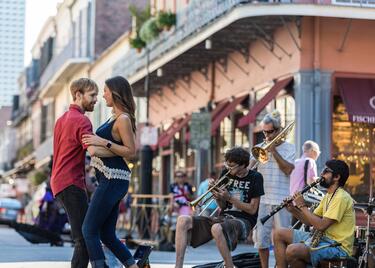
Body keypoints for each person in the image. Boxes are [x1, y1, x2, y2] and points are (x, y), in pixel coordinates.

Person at [51, 78, 112, 268]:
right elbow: (93, 151)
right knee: (84, 238)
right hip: (71, 183)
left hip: (60, 181)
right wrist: (120, 149)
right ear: (78, 95)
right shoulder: (82, 120)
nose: (96, 99)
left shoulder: (61, 119)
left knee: (85, 235)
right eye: (92, 95)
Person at [175, 147, 264, 268]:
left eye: (232, 166)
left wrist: (229, 198)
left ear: (243, 165)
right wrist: (216, 195)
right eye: (227, 165)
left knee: (217, 228)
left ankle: (229, 266)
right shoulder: (225, 174)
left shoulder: (256, 177)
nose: (228, 168)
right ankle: (178, 266)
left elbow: (253, 209)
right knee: (182, 220)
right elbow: (222, 206)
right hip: (223, 217)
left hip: (244, 221)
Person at [81, 76, 138, 268]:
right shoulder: (113, 117)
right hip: (110, 179)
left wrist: (102, 142)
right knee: (107, 234)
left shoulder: (123, 119)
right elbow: (108, 150)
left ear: (115, 92)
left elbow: (130, 151)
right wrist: (99, 148)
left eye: (105, 91)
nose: (102, 95)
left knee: (88, 229)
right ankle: (133, 265)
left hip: (114, 179)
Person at [273, 159, 355, 268]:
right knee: (279, 233)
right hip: (323, 240)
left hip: (337, 247)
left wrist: (302, 206)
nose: (321, 174)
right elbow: (309, 221)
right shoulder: (329, 195)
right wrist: (293, 209)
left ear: (337, 177)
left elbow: (321, 226)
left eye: (326, 171)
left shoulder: (341, 197)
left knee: (292, 250)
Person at [250, 110, 295, 268]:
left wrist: (274, 151)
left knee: (281, 238)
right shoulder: (258, 148)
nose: (267, 136)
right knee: (261, 239)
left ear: (278, 130)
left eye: (270, 132)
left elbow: (288, 170)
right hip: (263, 199)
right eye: (264, 131)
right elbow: (249, 171)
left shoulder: (290, 148)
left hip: (282, 200)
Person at [290, 140, 320, 226]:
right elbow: (311, 181)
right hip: (304, 200)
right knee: (306, 227)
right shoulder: (310, 161)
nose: (317, 155)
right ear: (313, 151)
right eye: (317, 153)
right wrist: (320, 179)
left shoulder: (295, 162)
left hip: (293, 199)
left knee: (295, 227)